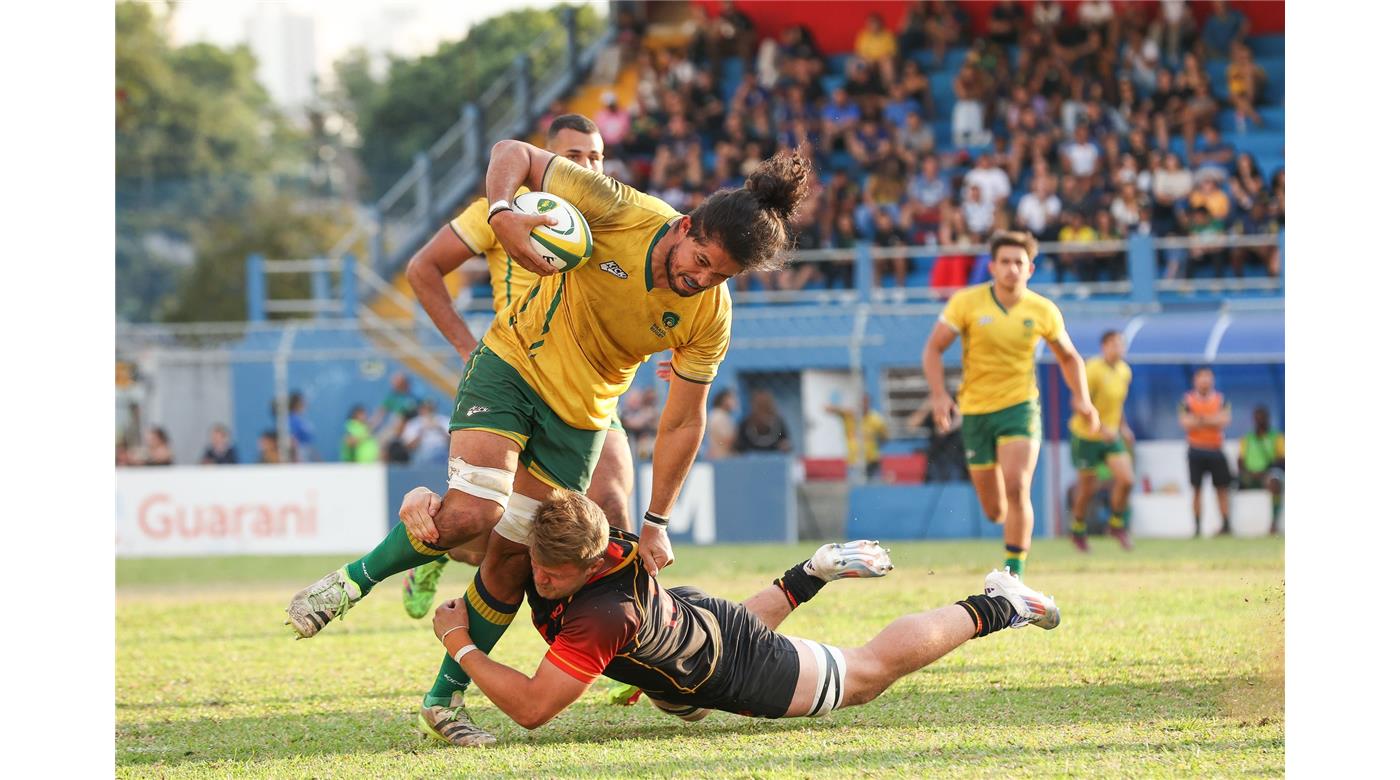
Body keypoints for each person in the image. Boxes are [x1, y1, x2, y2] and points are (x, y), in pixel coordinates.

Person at [286, 142, 813, 747]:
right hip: (511, 363)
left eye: (719, 276)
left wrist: (658, 521)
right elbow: (512, 152)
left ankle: (442, 700)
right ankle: (351, 582)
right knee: (475, 513)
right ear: (685, 225)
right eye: (700, 261)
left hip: (582, 418)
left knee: (511, 559)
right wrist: (503, 211)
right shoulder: (620, 208)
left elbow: (682, 423)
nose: (700, 280)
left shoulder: (710, 313)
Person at [415, 488, 1059, 743]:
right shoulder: (569, 539)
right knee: (678, 688)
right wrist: (422, 505)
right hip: (691, 624)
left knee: (864, 676)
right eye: (537, 569)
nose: (541, 583)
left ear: (589, 565)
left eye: (554, 577)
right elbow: (474, 535)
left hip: (726, 661)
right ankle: (810, 573)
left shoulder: (600, 615)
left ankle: (1000, 603)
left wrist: (460, 645)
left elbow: (532, 709)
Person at [396, 115, 643, 619]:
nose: (589, 167)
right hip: (520, 379)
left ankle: (624, 639)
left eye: (596, 157)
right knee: (483, 532)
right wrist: (467, 348)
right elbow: (422, 269)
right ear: (549, 160)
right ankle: (434, 552)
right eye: (574, 157)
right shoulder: (501, 209)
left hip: (589, 384)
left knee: (614, 510)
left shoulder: (611, 218)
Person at [921, 230, 1099, 576]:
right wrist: (940, 395)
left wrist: (1083, 400)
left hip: (1020, 407)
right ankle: (1004, 519)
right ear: (992, 266)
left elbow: (1069, 357)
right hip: (975, 412)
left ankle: (1013, 573)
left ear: (1030, 268)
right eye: (1005, 262)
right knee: (993, 509)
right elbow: (933, 349)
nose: (1011, 269)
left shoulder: (1043, 310)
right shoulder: (966, 303)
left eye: (1019, 262)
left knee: (1018, 486)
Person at [1068, 331, 1135, 552]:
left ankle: (1116, 525)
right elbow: (1078, 402)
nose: (1118, 348)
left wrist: (1123, 427)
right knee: (1088, 488)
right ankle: (1077, 528)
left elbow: (1118, 405)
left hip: (1111, 435)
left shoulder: (1125, 371)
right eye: (1113, 344)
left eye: (1121, 344)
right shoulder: (1092, 370)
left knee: (1126, 480)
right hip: (1086, 436)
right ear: (1103, 346)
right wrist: (1099, 427)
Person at [1178, 367, 1233, 537]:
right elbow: (1185, 422)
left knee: (1222, 489)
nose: (1205, 381)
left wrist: (1199, 419)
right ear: (1195, 380)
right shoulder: (1186, 401)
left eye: (1208, 378)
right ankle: (1197, 528)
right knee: (1197, 490)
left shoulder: (1221, 400)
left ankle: (1225, 525)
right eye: (1202, 378)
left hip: (1216, 449)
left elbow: (1224, 420)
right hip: (1195, 450)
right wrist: (1212, 420)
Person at [1238, 405, 1284, 535]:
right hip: (1249, 475)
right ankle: (1232, 525)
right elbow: (1240, 460)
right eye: (1257, 418)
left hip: (1267, 475)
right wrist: (1248, 472)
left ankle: (1274, 523)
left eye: (1262, 418)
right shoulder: (1247, 438)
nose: (1260, 421)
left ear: (1268, 419)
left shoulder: (1277, 437)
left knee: (1275, 483)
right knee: (1224, 483)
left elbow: (1282, 459)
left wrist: (1265, 471)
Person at [825, 394, 888, 481]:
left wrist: (875, 447)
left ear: (869, 404)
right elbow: (827, 408)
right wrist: (844, 409)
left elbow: (885, 437)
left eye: (866, 402)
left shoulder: (876, 419)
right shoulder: (849, 416)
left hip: (872, 461)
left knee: (875, 489)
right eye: (861, 402)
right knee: (856, 489)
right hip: (854, 462)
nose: (863, 405)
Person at [705, 388, 739, 459]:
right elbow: (727, 440)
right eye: (731, 398)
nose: (735, 402)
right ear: (723, 400)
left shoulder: (717, 414)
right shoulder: (719, 416)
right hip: (721, 458)